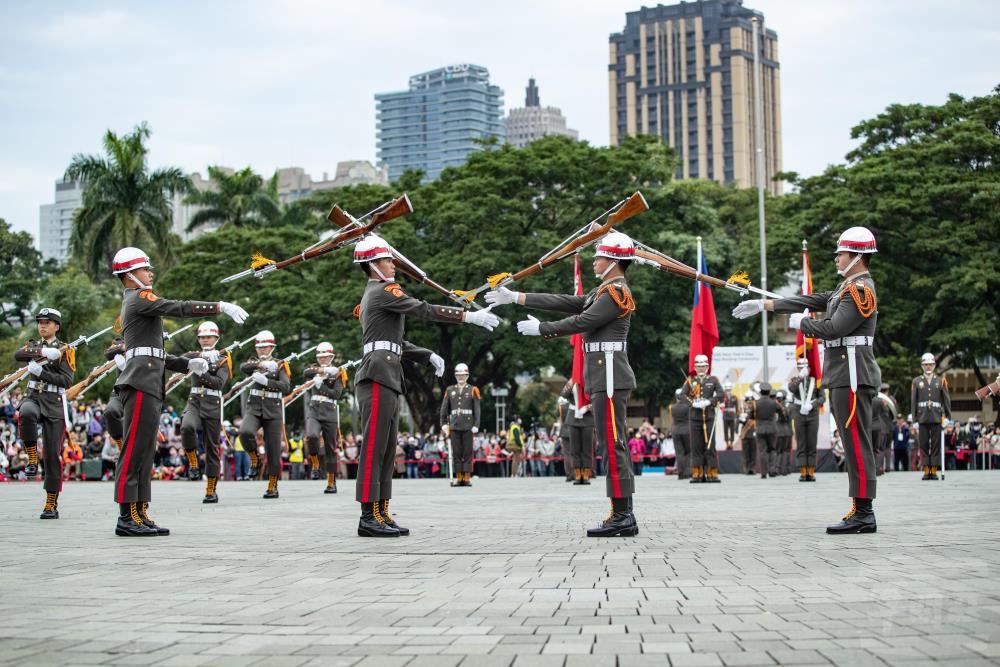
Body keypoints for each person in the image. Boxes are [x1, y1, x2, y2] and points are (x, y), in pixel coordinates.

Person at [488, 230, 638, 537]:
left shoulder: (615, 292)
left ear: (612, 261)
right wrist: (517, 298)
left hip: (610, 378)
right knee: (610, 445)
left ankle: (623, 514)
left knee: (613, 445)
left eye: (599, 256)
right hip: (602, 376)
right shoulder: (604, 291)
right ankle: (620, 512)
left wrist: (542, 329)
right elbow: (568, 302)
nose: (595, 261)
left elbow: (583, 322)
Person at [733, 226, 880, 534]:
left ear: (857, 256)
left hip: (853, 374)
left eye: (841, 253)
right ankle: (860, 508)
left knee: (856, 442)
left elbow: (835, 328)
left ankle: (864, 512)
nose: (837, 258)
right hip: (844, 372)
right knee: (852, 441)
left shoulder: (861, 289)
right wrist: (764, 305)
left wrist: (805, 326)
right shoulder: (845, 288)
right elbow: (811, 299)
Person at [352, 233, 498, 537]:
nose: (393, 264)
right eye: (387, 260)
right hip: (377, 374)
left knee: (388, 448)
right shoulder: (382, 291)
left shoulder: (380, 293)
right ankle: (368, 515)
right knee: (375, 446)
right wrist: (467, 316)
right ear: (373, 265)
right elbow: (423, 309)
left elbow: (396, 342)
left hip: (388, 373)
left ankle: (381, 511)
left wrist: (427, 355)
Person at [110, 246, 248, 537]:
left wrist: (187, 364)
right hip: (139, 382)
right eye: (145, 268)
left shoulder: (138, 301)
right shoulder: (138, 299)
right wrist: (219, 306)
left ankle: (139, 511)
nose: (150, 273)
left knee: (146, 451)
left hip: (149, 381)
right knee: (134, 450)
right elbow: (178, 307)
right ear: (130, 275)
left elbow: (154, 352)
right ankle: (126, 515)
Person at [13, 307, 75, 519]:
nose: (42, 325)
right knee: (26, 413)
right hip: (33, 398)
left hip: (54, 403)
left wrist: (43, 372)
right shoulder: (33, 346)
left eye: (47, 322)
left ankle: (51, 503)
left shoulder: (66, 350)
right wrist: (42, 353)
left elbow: (67, 381)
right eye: (40, 322)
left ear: (56, 326)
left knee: (51, 456)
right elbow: (18, 354)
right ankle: (31, 459)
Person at [180, 321, 231, 503]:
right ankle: (193, 461)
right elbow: (183, 358)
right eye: (201, 337)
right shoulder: (195, 354)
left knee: (212, 448)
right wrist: (202, 357)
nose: (205, 340)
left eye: (208, 337)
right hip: (194, 400)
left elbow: (219, 383)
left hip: (213, 403)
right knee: (186, 427)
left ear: (216, 338)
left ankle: (211, 489)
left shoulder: (223, 357)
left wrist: (202, 372)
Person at [238, 331, 290, 499]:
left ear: (272, 347)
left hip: (273, 410)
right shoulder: (253, 362)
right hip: (254, 408)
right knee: (245, 432)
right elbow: (243, 367)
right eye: (259, 347)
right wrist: (260, 366)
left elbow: (285, 387)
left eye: (265, 347)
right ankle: (255, 458)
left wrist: (267, 381)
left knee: (273, 449)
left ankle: (272, 485)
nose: (261, 350)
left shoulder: (280, 364)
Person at [303, 342, 347, 493]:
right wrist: (322, 371)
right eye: (320, 357)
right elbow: (306, 372)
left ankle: (331, 482)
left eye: (325, 357)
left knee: (330, 448)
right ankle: (315, 464)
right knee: (312, 436)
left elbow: (336, 394)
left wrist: (321, 385)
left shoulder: (339, 372)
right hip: (314, 410)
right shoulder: (313, 369)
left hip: (330, 411)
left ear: (331, 357)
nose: (322, 359)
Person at [910, 352, 951, 480]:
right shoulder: (916, 381)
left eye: (930, 364)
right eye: (926, 364)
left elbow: (946, 400)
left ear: (934, 365)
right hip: (922, 417)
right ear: (922, 366)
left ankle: (933, 471)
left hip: (936, 416)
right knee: (923, 444)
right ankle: (926, 470)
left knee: (935, 444)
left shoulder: (941, 380)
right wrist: (914, 419)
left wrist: (948, 417)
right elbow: (913, 401)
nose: (928, 367)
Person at [684, 354, 724, 484]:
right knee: (696, 446)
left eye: (703, 366)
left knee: (710, 446)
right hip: (695, 418)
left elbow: (721, 394)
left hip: (709, 417)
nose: (701, 368)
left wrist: (709, 402)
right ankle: (697, 473)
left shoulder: (713, 380)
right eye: (699, 366)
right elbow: (682, 395)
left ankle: (712, 472)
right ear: (695, 367)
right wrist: (692, 403)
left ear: (707, 366)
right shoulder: (690, 380)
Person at [440, 362, 481, 487]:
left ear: (467, 375)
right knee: (456, 452)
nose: (461, 377)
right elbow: (444, 409)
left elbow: (477, 410)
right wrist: (444, 424)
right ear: (455, 376)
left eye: (463, 375)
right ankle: (459, 477)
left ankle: (467, 478)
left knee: (468, 452)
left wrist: (476, 425)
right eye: (458, 375)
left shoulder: (473, 390)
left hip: (468, 426)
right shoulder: (450, 390)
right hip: (455, 425)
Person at [787, 357, 824, 481]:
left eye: (805, 366)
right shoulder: (795, 380)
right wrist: (800, 377)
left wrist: (812, 405)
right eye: (800, 367)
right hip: (799, 413)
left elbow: (822, 397)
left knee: (812, 443)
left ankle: (811, 472)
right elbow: (791, 389)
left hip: (812, 413)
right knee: (801, 443)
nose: (803, 368)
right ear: (798, 368)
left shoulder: (816, 380)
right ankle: (803, 472)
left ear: (809, 367)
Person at [560, 379, 595, 485]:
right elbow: (563, 395)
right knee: (574, 449)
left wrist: (589, 407)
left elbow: (596, 399)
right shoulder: (572, 381)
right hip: (573, 418)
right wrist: (571, 383)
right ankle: (577, 474)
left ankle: (586, 474)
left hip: (587, 417)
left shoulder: (591, 381)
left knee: (587, 449)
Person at [751, 384, 779, 478]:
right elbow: (781, 413)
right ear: (769, 392)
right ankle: (772, 470)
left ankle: (763, 473)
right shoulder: (774, 402)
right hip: (772, 429)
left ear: (760, 392)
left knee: (762, 451)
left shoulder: (755, 403)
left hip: (760, 429)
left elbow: (750, 416)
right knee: (772, 450)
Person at [670, 388, 692, 480]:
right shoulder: (688, 406)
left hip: (675, 430)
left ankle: (680, 472)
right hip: (686, 430)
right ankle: (687, 472)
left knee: (679, 453)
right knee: (688, 452)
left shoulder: (672, 407)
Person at [774, 390, 792, 476]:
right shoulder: (786, 406)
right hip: (787, 431)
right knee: (785, 451)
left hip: (779, 431)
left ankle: (778, 469)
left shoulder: (776, 406)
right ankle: (784, 469)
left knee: (779, 451)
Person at [721, 381, 740, 449]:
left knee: (732, 430)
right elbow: (720, 406)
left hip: (732, 415)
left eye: (729, 389)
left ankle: (731, 443)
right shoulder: (722, 397)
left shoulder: (734, 397)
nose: (728, 391)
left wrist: (738, 415)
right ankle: (727, 443)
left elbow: (737, 407)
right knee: (725, 430)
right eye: (727, 389)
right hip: (725, 415)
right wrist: (721, 405)